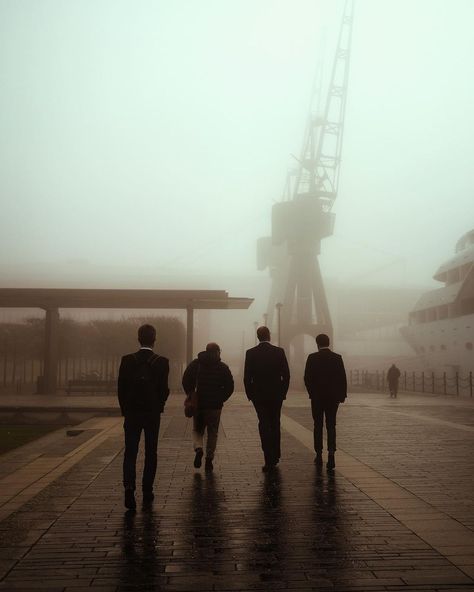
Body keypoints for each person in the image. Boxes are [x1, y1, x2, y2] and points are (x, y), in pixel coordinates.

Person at [118, 324, 169, 510]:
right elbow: (164, 390)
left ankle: (129, 488)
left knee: (130, 452)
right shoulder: (162, 362)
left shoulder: (127, 360)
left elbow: (121, 388)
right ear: (154, 339)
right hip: (151, 413)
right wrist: (158, 406)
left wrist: (125, 409)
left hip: (132, 413)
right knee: (150, 451)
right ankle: (147, 490)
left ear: (138, 339)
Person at [244, 326, 290, 472]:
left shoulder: (251, 353)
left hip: (259, 396)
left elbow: (247, 377)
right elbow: (286, 375)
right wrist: (282, 392)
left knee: (263, 424)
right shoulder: (279, 352)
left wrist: (251, 395)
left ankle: (268, 457)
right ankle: (276, 455)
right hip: (276, 395)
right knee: (275, 423)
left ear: (258, 336)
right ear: (269, 336)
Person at [182, 342, 234, 472]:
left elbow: (186, 379)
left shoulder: (196, 364)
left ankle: (199, 448)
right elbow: (230, 386)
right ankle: (209, 460)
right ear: (217, 352)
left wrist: (191, 394)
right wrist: (221, 398)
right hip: (215, 406)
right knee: (213, 432)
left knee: (197, 430)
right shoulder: (223, 367)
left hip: (199, 404)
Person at [304, 333, 347, 471]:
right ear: (329, 343)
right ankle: (331, 454)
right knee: (331, 425)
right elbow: (342, 378)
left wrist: (312, 393)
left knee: (318, 425)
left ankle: (318, 453)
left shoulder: (312, 358)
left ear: (317, 343)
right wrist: (341, 396)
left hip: (317, 397)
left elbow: (307, 378)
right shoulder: (337, 358)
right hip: (333, 398)